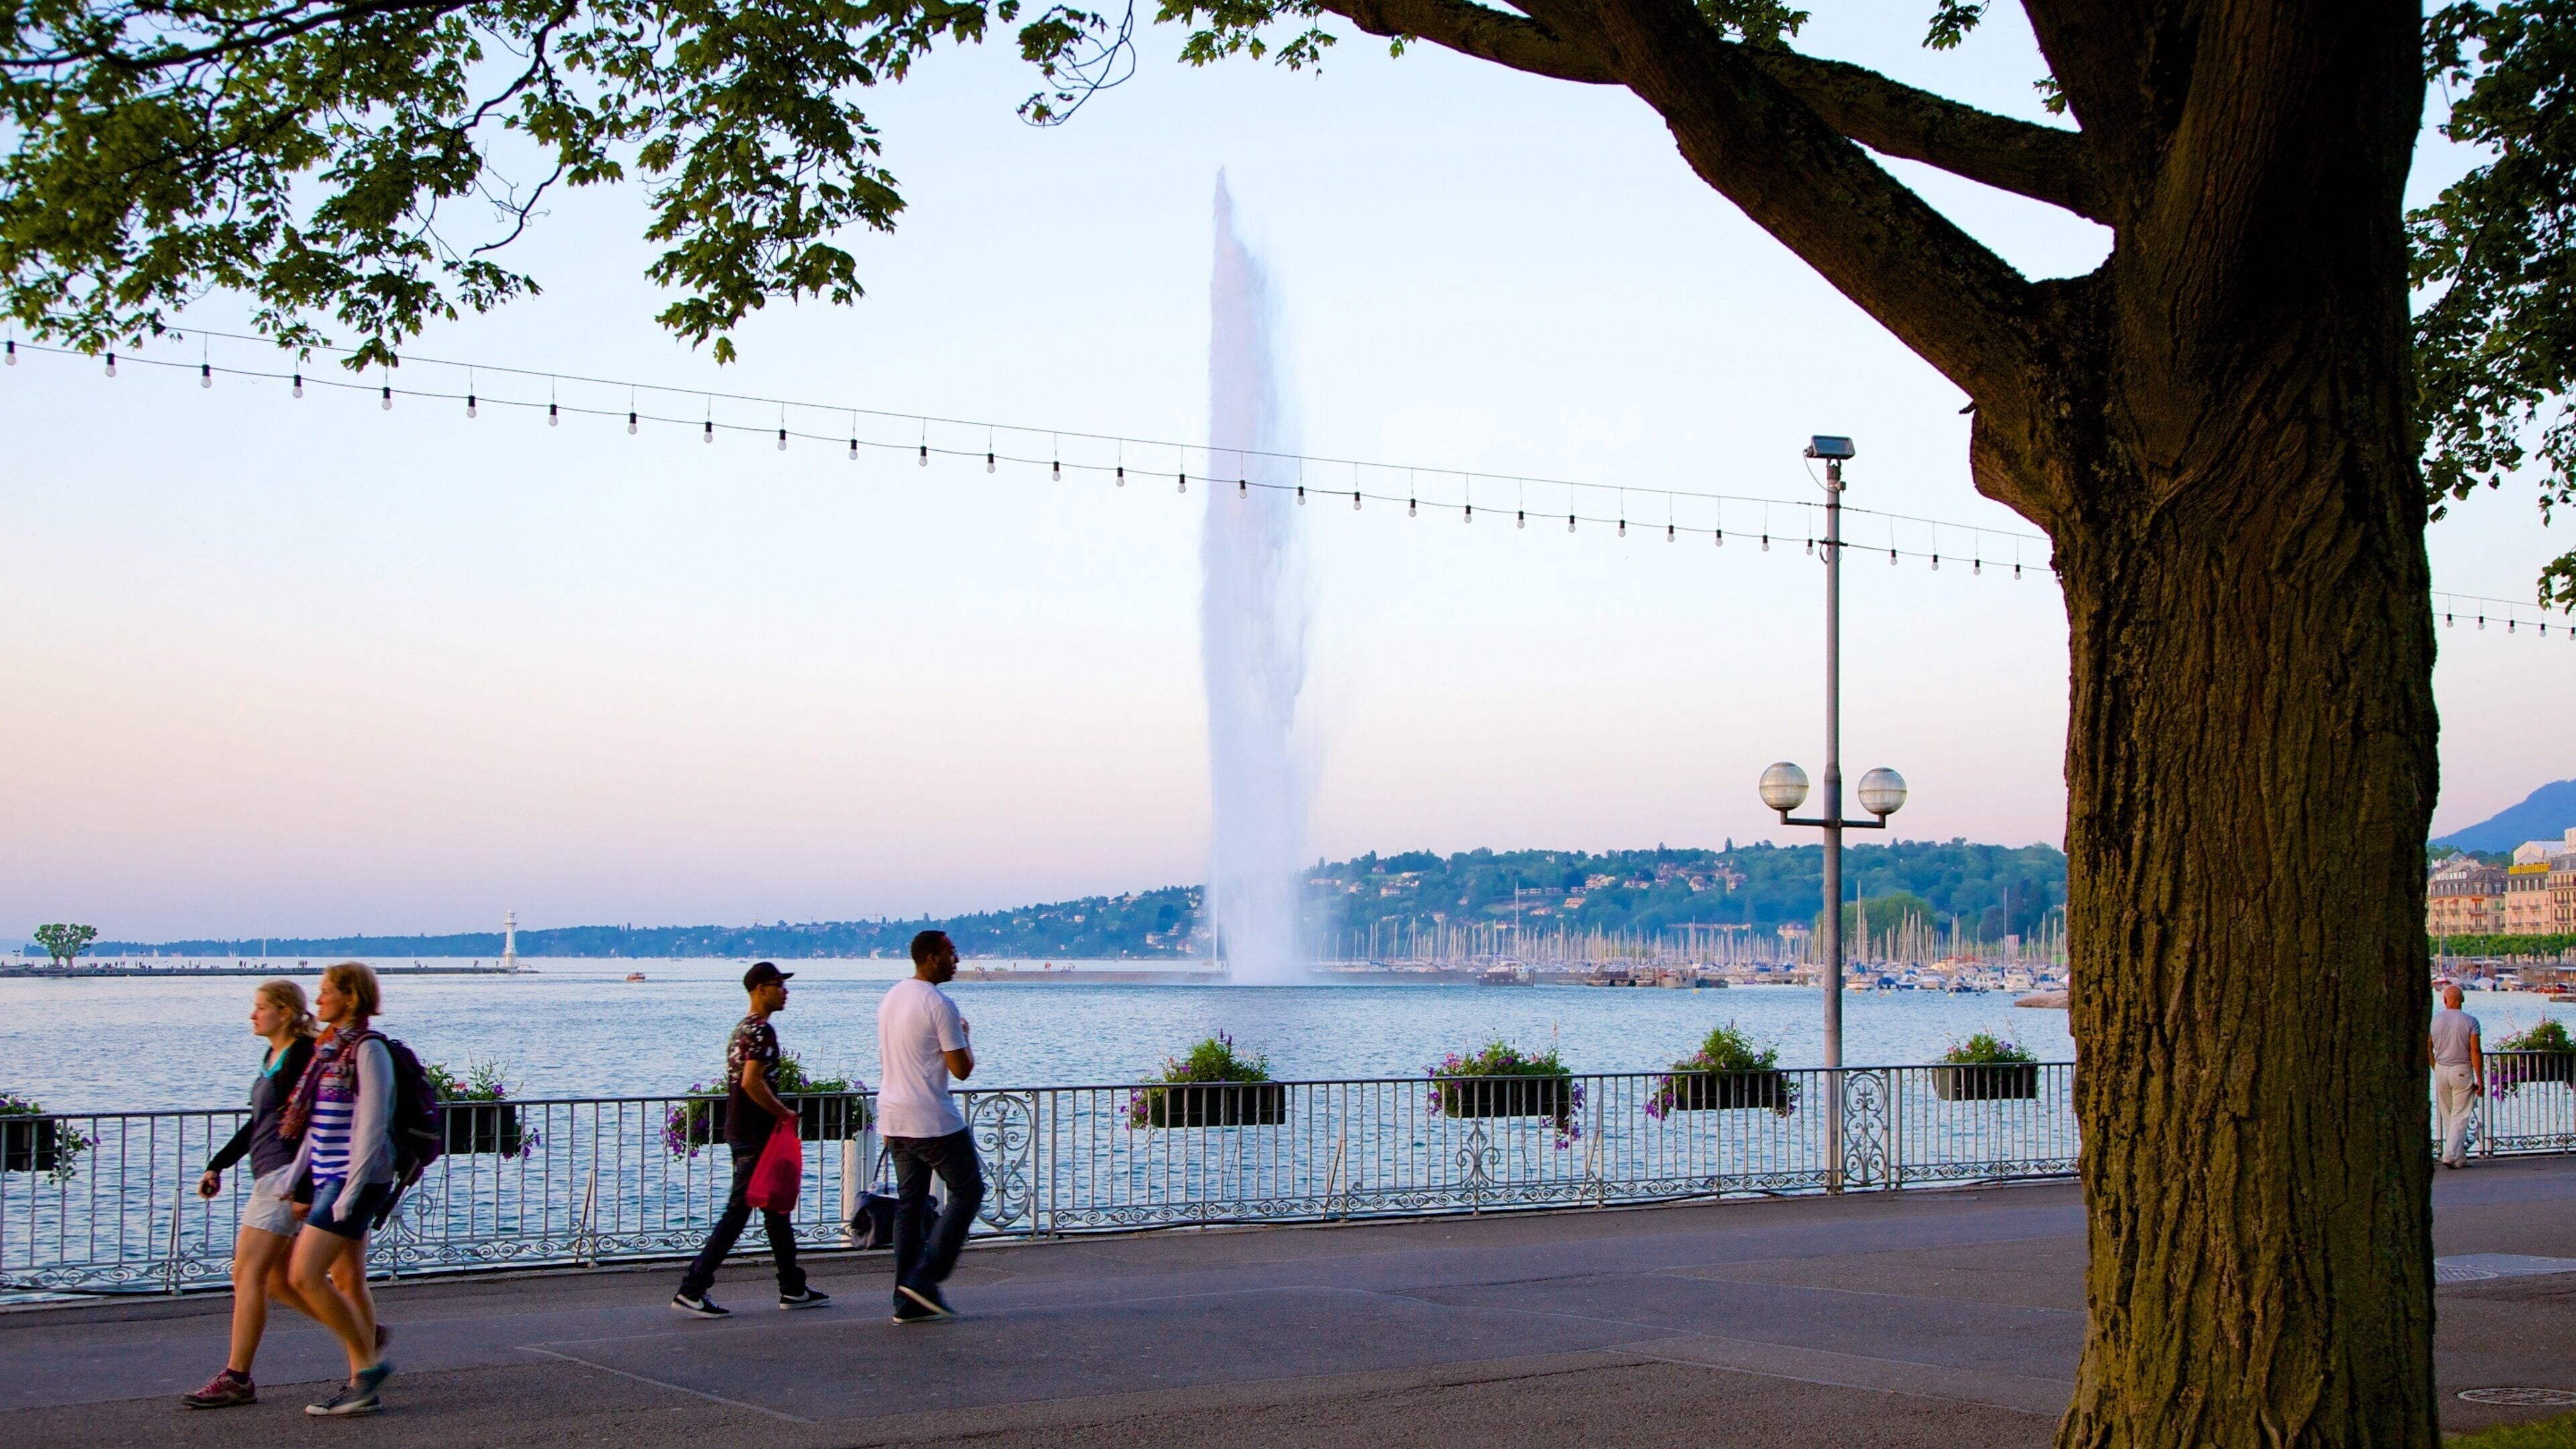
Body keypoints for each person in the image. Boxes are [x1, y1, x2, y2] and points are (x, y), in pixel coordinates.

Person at [180, 980, 321, 1409]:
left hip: (283, 1177)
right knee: (277, 1281)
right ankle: (358, 1328)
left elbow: (313, 1123)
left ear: (284, 1011)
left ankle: (237, 1377)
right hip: (270, 1173)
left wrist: (303, 1186)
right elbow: (258, 1123)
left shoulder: (300, 1056)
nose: (252, 1015)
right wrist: (218, 1163)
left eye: (260, 1007)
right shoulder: (273, 1057)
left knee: (247, 1275)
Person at [672, 962, 829, 1316]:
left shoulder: (744, 1029)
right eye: (778, 985)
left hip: (745, 1131)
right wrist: (782, 1113)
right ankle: (692, 1287)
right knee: (739, 1211)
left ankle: (793, 1286)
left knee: (775, 1210)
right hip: (754, 1134)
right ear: (760, 989)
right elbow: (751, 1082)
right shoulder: (760, 1032)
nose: (785, 991)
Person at [279, 962, 396, 1415]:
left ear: (351, 997)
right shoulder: (328, 1052)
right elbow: (318, 1125)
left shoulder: (368, 1051)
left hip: (355, 1182)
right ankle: (361, 1381)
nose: (319, 998)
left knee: (302, 1276)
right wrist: (294, 1177)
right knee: (348, 1279)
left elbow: (371, 1127)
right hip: (330, 1177)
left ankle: (367, 1369)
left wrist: (351, 1191)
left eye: (328, 991)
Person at [877, 929, 983, 1323]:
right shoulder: (940, 1004)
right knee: (968, 1190)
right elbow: (962, 1069)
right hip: (931, 1118)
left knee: (910, 1205)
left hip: (894, 1115)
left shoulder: (892, 998)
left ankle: (907, 1300)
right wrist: (966, 1038)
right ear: (930, 957)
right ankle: (927, 1277)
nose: (957, 960)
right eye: (951, 953)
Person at [2430, 982, 2485, 1169]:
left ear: (2445, 1000)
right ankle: (2450, 1154)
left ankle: (2459, 1158)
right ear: (2462, 1000)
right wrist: (2480, 1079)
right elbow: (2475, 1051)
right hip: (2462, 1070)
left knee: (2448, 1114)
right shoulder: (2471, 1021)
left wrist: (2435, 1066)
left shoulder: (2434, 1021)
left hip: (2441, 1070)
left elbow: (2427, 1047)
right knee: (2461, 1115)